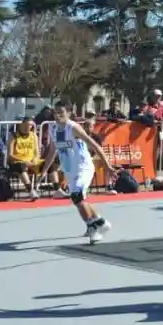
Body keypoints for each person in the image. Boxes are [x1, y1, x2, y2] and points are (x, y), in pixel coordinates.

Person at [41, 103, 117, 244]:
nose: (57, 116)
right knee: (80, 200)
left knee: (76, 196)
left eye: (61, 113)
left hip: (84, 168)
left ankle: (93, 228)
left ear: (69, 113)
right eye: (55, 113)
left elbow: (95, 145)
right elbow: (52, 151)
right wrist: (44, 170)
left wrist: (108, 166)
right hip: (71, 170)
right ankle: (101, 222)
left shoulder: (73, 128)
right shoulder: (53, 129)